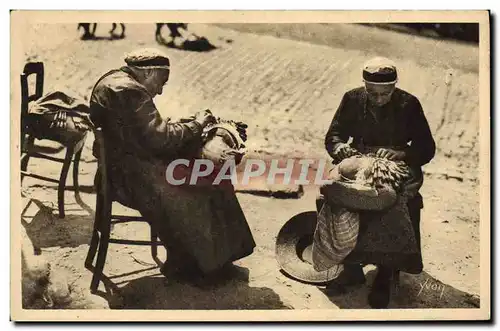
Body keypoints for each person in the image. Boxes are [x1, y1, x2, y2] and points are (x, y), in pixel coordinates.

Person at [89, 48, 256, 285]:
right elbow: (161, 139)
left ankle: (207, 259)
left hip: (127, 167)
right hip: (132, 179)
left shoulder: (114, 79)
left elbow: (143, 132)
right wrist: (197, 125)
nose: (159, 90)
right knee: (203, 183)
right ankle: (199, 267)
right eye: (161, 82)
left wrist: (183, 127)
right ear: (148, 73)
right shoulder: (129, 90)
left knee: (209, 175)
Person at [323, 57, 436, 308]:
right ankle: (350, 268)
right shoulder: (352, 98)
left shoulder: (409, 104)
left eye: (384, 94)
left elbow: (426, 147)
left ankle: (385, 273)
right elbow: (334, 134)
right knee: (334, 193)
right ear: (364, 86)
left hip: (395, 164)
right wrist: (340, 147)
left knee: (389, 202)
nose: (378, 98)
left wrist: (402, 154)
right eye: (371, 93)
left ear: (394, 87)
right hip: (358, 157)